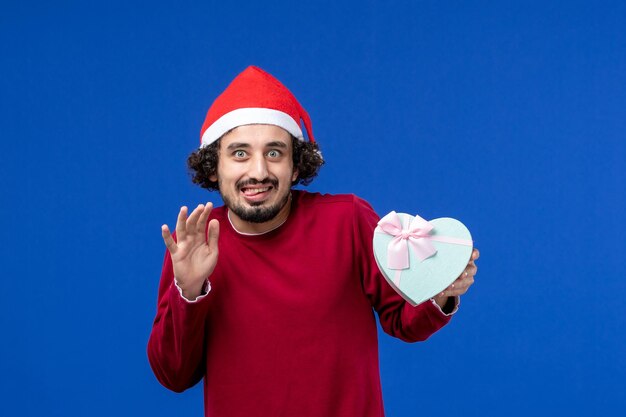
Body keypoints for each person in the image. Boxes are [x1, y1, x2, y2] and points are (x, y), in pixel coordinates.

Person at [147, 66, 479, 417]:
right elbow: (174, 375)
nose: (258, 171)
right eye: (240, 153)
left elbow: (405, 319)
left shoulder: (347, 220)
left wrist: (441, 290)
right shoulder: (195, 243)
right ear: (214, 167)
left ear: (295, 167)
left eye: (274, 153)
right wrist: (189, 291)